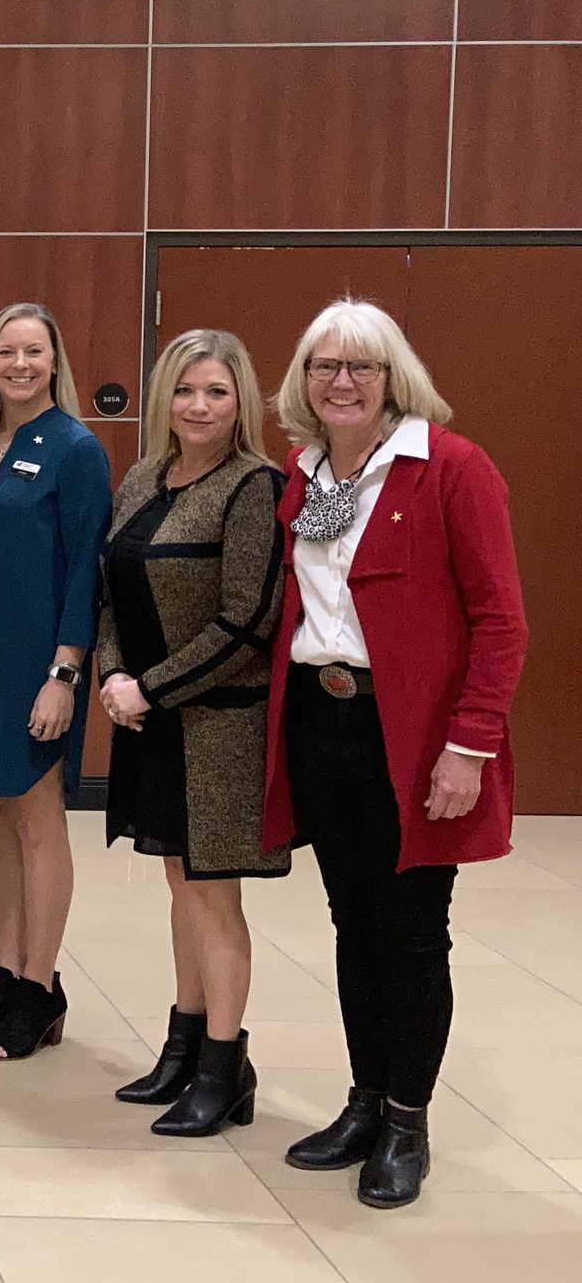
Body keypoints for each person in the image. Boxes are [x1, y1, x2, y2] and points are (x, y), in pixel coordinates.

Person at [264, 299, 526, 1209]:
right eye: (324, 365)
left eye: (361, 367)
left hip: (414, 738)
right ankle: (365, 1100)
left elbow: (502, 622)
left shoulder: (451, 469)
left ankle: (408, 1121)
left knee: (412, 934)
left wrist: (469, 748)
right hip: (321, 723)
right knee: (351, 924)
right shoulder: (303, 477)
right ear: (303, 382)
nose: (341, 381)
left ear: (393, 378)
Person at [96, 330, 287, 1135]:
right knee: (180, 884)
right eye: (184, 390)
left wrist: (149, 687)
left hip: (214, 728)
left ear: (241, 399)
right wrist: (111, 675)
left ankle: (224, 1065)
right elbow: (111, 591)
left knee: (212, 895)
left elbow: (248, 620)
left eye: (215, 391)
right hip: (146, 717)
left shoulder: (256, 487)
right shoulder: (145, 475)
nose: (198, 406)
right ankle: (182, 1044)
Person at [0, 302, 110, 1060]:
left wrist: (65, 675)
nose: (19, 364)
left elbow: (87, 570)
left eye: (33, 352)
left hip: (36, 662)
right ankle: (6, 974)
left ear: (53, 361)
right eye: (6, 351)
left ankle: (41, 988)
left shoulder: (75, 449)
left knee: (38, 818)